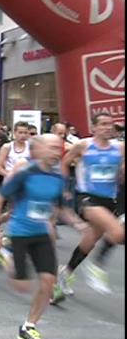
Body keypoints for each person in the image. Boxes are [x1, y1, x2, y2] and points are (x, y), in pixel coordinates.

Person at [0, 134, 90, 339]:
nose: (55, 151)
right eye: (51, 147)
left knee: (47, 283)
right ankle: (7, 254)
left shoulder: (58, 177)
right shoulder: (25, 173)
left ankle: (28, 326)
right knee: (22, 286)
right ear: (39, 149)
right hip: (20, 233)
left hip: (41, 235)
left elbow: (61, 208)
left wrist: (78, 224)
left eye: (58, 148)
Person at [53, 112, 124, 300]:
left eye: (110, 124)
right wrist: (63, 187)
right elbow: (65, 162)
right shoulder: (83, 145)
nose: (107, 127)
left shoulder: (120, 148)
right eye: (103, 124)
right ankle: (96, 267)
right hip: (87, 198)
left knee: (89, 241)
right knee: (117, 233)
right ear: (93, 128)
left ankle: (66, 273)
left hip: (110, 200)